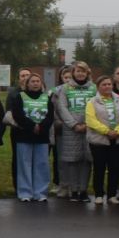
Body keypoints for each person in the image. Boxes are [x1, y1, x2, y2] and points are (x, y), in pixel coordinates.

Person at [6, 69, 54, 203]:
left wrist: (41, 127)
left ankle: (40, 192)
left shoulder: (46, 98)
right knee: (24, 165)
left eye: (37, 81)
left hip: (42, 136)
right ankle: (25, 192)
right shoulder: (19, 97)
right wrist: (32, 126)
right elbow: (18, 115)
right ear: (27, 84)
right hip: (24, 135)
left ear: (41, 83)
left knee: (42, 164)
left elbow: (50, 116)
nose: (35, 84)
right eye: (32, 81)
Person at [52, 61, 96, 203]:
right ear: (73, 73)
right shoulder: (65, 88)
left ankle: (83, 190)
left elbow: (98, 106)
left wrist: (88, 124)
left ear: (87, 73)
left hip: (90, 128)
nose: (80, 74)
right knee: (72, 160)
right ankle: (74, 190)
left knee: (86, 160)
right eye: (78, 71)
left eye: (83, 71)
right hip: (71, 129)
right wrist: (74, 124)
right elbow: (62, 108)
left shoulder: (94, 88)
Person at [85, 74, 119, 206]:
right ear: (98, 87)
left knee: (115, 168)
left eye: (109, 84)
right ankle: (99, 194)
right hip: (99, 140)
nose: (107, 87)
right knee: (99, 168)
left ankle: (112, 194)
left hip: (118, 139)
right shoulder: (92, 102)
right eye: (104, 85)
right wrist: (107, 131)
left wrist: (118, 131)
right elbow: (91, 120)